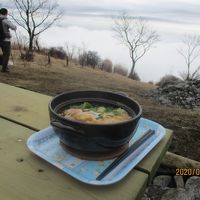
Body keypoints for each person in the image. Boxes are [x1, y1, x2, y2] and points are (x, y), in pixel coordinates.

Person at [0, 8, 17, 73]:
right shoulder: (5, 20)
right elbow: (13, 27)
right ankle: (4, 69)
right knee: (6, 55)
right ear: (6, 13)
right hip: (5, 40)